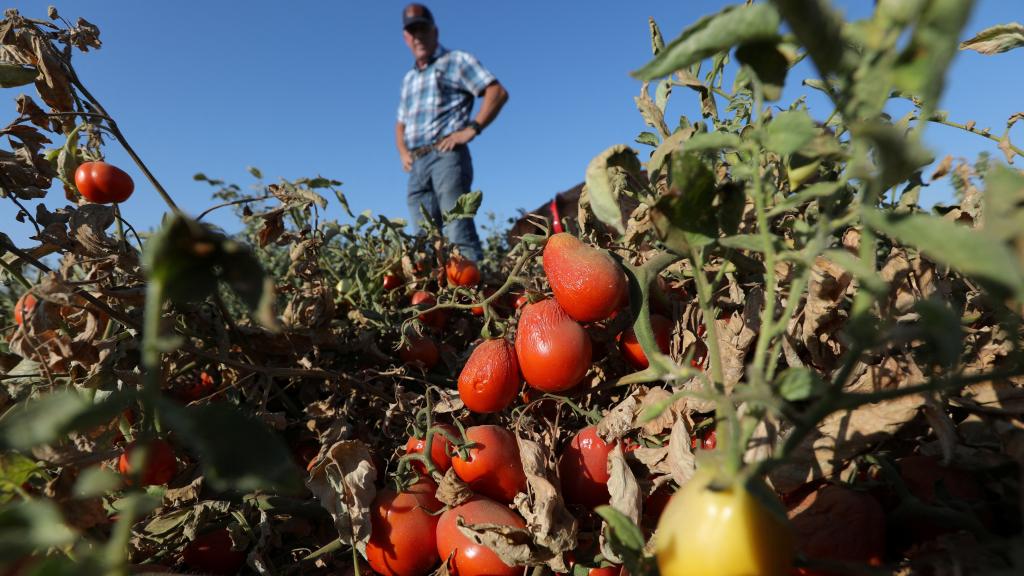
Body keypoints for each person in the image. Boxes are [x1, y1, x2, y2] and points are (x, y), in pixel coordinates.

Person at [395, 3, 508, 263]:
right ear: (405, 38)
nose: (418, 36)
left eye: (422, 29)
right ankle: (435, 300)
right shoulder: (409, 79)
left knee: (457, 230)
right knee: (423, 242)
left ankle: (474, 299)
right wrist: (402, 152)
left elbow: (496, 92)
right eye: (412, 31)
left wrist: (472, 128)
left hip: (446, 156)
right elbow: (400, 123)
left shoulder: (455, 61)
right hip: (416, 163)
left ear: (435, 31)